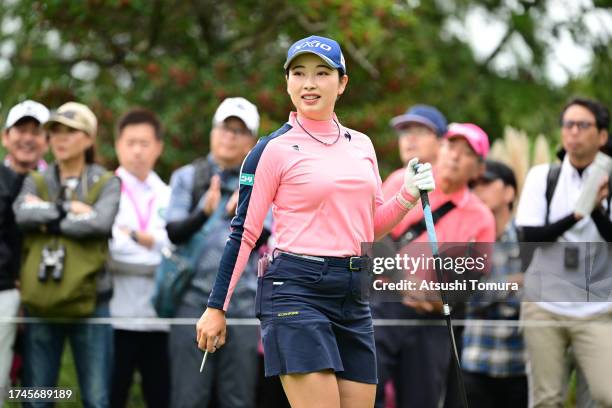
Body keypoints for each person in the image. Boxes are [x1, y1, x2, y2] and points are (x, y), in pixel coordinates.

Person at [196, 35, 435, 408]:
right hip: (295, 290)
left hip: (354, 293)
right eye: (299, 73)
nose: (309, 83)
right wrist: (216, 307)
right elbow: (244, 233)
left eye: (322, 73)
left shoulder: (362, 145)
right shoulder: (270, 150)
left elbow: (367, 228)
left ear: (341, 83)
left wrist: (405, 193)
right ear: (287, 81)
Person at [373, 123, 495, 408]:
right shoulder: (404, 179)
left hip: (433, 321)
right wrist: (404, 281)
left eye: (466, 153)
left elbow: (472, 278)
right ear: (440, 148)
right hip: (385, 303)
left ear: (478, 168)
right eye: (451, 147)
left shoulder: (481, 217)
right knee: (366, 391)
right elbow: (376, 236)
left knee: (422, 399)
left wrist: (439, 298)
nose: (455, 156)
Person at [13, 102, 120, 408]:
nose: (59, 138)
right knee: (37, 399)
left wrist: (46, 217)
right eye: (55, 132)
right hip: (42, 302)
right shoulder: (36, 179)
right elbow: (22, 213)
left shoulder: (106, 181)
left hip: (91, 302)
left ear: (88, 139)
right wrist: (68, 210)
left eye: (70, 132)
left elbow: (101, 222)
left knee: (97, 399)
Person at [166, 97, 265, 408]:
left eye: (239, 131)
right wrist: (203, 213)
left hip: (245, 303)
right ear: (213, 131)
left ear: (251, 140)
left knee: (238, 399)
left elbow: (270, 237)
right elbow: (173, 231)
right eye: (225, 128)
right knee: (188, 397)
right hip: (193, 300)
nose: (230, 136)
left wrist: (246, 213)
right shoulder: (188, 176)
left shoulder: (262, 178)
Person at [516, 97, 612, 407]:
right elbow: (530, 236)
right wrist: (578, 213)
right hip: (544, 303)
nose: (573, 132)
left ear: (601, 136)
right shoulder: (542, 176)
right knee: (546, 399)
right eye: (568, 125)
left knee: (604, 395)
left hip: (597, 307)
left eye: (583, 125)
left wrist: (596, 208)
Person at [108, 108, 171, 408]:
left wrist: (132, 235)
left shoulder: (169, 194)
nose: (137, 150)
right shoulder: (105, 190)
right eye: (130, 142)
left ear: (158, 147)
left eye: (144, 143)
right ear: (118, 144)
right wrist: (157, 247)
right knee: (111, 397)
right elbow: (111, 252)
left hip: (160, 322)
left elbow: (178, 253)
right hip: (114, 318)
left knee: (160, 398)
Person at [461, 160, 527, 408]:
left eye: (486, 183)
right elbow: (465, 297)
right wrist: (512, 283)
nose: (477, 190)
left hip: (520, 364)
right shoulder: (466, 241)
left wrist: (490, 292)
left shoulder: (528, 240)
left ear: (509, 192)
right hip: (477, 362)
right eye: (473, 185)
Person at [0, 100, 49, 400]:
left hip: (45, 296)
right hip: (4, 292)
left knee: (39, 388)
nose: (28, 138)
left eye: (36, 131)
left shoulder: (54, 182)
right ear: (6, 136)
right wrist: (15, 275)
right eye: (21, 130)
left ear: (47, 141)